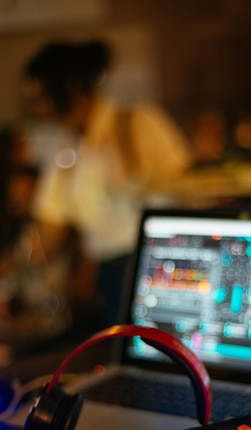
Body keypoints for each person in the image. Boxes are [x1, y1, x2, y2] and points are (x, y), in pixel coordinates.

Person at [20, 39, 194, 327]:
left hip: (154, 267)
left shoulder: (137, 123)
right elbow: (50, 222)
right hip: (106, 274)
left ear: (70, 88)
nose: (38, 108)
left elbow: (186, 188)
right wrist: (22, 265)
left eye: (42, 97)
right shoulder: (66, 150)